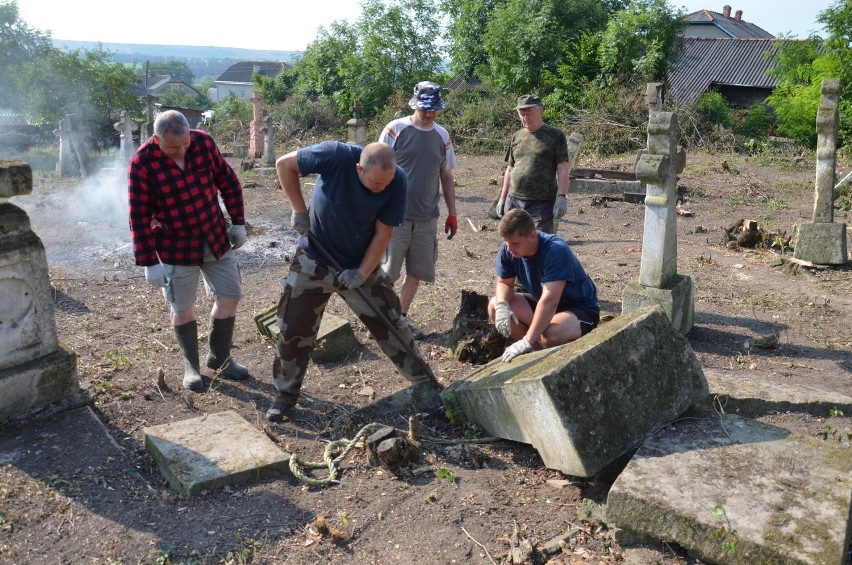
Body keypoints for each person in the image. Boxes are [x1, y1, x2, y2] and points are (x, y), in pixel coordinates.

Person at [268, 141, 439, 422]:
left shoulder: (397, 181)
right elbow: (285, 165)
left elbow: (384, 233)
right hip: (315, 257)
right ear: (358, 168)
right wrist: (299, 210)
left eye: (386, 183)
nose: (381, 189)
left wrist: (362, 272)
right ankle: (285, 394)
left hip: (361, 261)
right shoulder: (335, 155)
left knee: (391, 321)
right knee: (293, 326)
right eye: (375, 184)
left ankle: (425, 382)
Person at [128, 110, 249, 392]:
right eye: (173, 147)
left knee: (230, 295)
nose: (181, 150)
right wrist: (149, 262)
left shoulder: (203, 143)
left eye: (184, 145)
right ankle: (191, 366)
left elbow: (228, 182)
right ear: (157, 139)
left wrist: (239, 223)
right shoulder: (142, 163)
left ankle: (220, 358)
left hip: (214, 235)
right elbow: (138, 214)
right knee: (182, 307)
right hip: (175, 245)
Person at [379, 80, 458, 339]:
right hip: (395, 216)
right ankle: (381, 319)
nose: (430, 113)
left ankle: (400, 319)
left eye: (434, 109)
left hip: (426, 217)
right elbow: (374, 169)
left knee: (417, 271)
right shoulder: (395, 129)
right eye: (426, 108)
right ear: (415, 105)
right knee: (387, 272)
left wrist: (452, 212)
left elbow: (445, 176)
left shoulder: (443, 136)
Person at [488, 208, 599, 363]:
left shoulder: (555, 250)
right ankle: (536, 355)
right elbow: (504, 282)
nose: (509, 248)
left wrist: (527, 340)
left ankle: (533, 345)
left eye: (514, 243)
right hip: (542, 303)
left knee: (551, 335)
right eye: (506, 243)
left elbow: (550, 301)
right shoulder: (508, 249)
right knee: (495, 305)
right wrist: (502, 306)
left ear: (532, 236)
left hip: (579, 309)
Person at [495, 94, 571, 234]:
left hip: (541, 203)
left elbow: (563, 167)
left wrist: (561, 197)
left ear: (541, 111)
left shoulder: (555, 135)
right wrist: (502, 198)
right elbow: (510, 169)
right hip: (514, 200)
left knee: (539, 244)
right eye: (522, 113)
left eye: (529, 113)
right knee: (513, 242)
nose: (525, 117)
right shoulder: (517, 136)